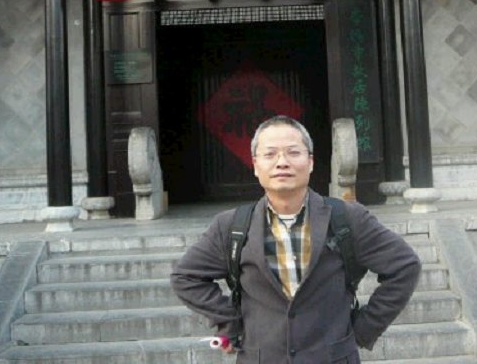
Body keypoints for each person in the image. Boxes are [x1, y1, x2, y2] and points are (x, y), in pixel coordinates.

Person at [171, 115, 421, 363]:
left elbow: (404, 266)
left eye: (293, 152)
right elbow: (186, 276)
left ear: (310, 162)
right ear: (256, 165)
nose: (282, 162)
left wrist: (365, 328)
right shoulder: (232, 226)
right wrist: (229, 323)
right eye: (270, 154)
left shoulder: (347, 218)